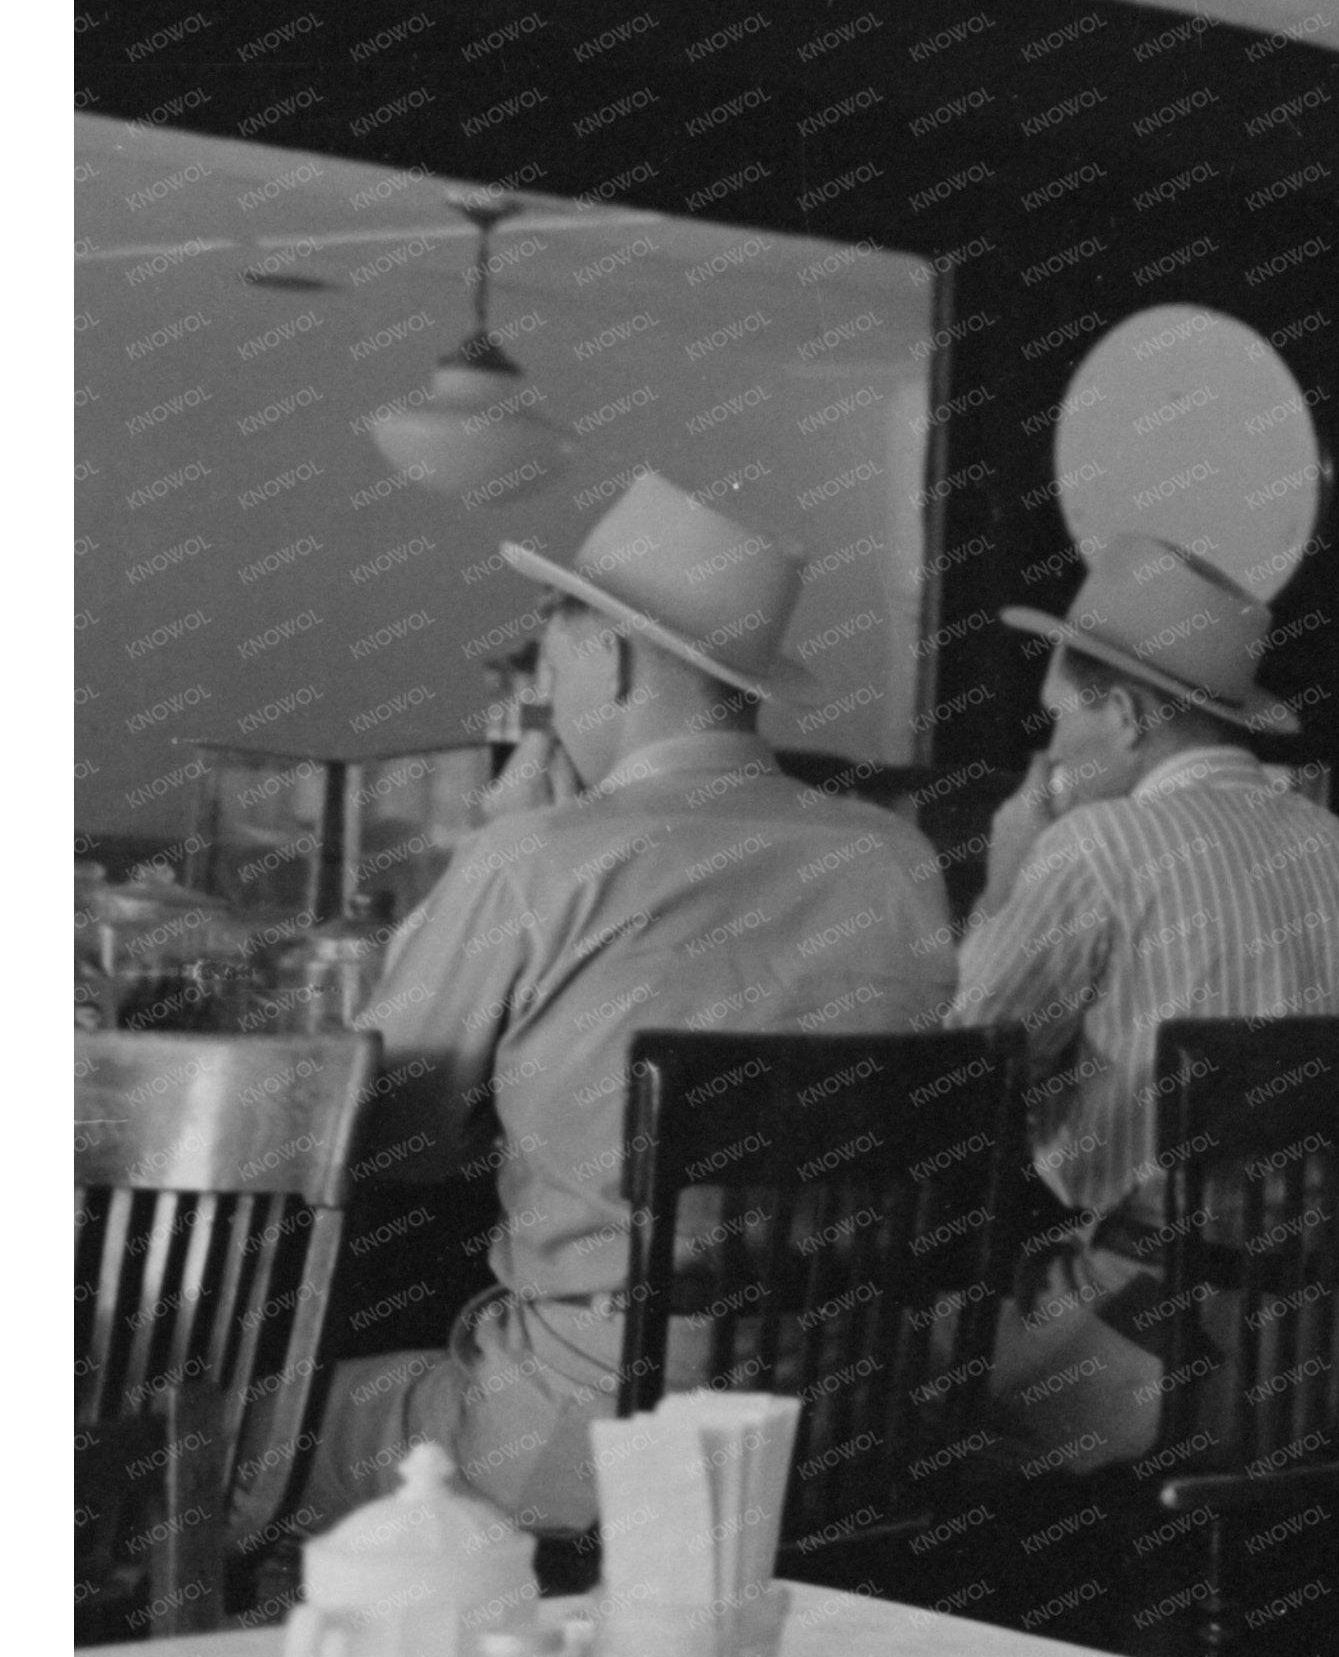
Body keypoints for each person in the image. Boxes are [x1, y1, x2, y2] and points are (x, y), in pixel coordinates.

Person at [306, 472, 958, 1531]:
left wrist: (493, 851)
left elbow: (382, 1145)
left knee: (215, 1421)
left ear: (604, 655)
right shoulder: (895, 857)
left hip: (596, 1431)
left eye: (548, 651)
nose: (544, 690)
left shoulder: (536, 860)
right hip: (849, 1418)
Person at [956, 534, 1339, 1473]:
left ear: (1122, 714)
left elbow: (957, 1089)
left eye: (1057, 719)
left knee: (893, 1399)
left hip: (1157, 1342)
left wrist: (1003, 882)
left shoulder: (1096, 847)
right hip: (1329, 1343)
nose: (1048, 748)